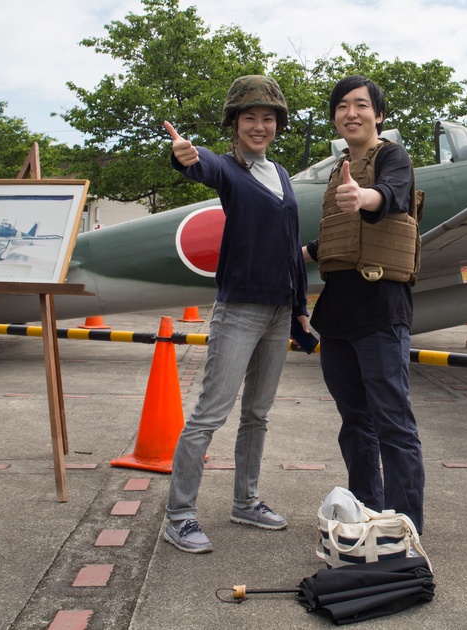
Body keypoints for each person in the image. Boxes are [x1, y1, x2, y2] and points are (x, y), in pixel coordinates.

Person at [162, 75, 310, 554]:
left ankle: (245, 501)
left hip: (278, 310)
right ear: (235, 123)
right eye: (250, 118)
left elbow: (290, 248)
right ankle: (179, 514)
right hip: (239, 311)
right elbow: (202, 166)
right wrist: (187, 155)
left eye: (268, 118)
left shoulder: (281, 174)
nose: (260, 126)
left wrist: (301, 309)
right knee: (209, 415)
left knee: (258, 415)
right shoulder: (226, 168)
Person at [304, 75, 425, 533]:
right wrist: (304, 253)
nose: (350, 113)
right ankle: (366, 514)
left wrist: (366, 196)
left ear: (378, 114)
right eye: (341, 106)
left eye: (360, 105)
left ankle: (405, 526)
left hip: (381, 309)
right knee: (354, 422)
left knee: (393, 422)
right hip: (337, 315)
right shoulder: (339, 169)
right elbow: (340, 236)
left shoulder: (392, 156)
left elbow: (391, 195)